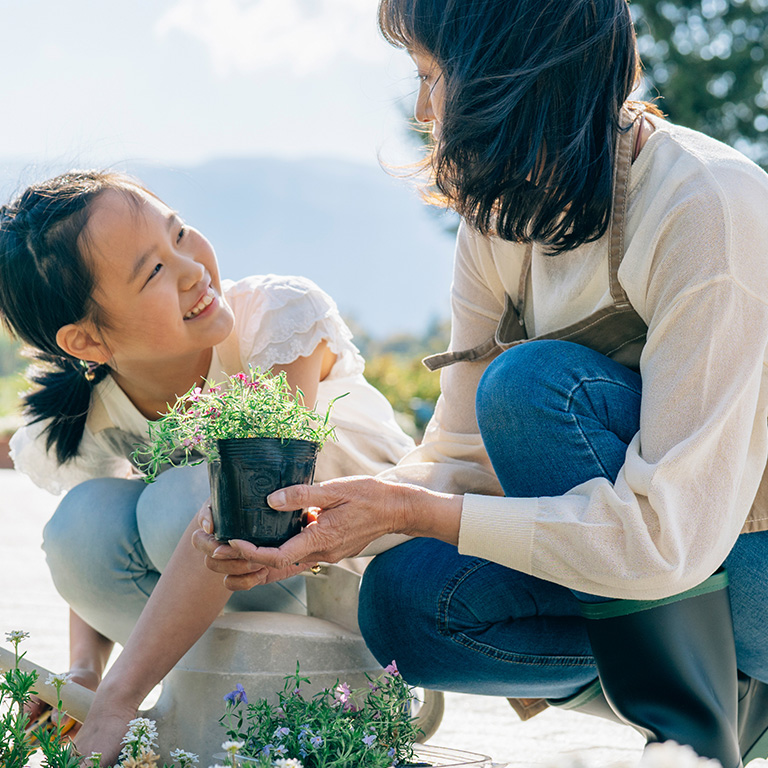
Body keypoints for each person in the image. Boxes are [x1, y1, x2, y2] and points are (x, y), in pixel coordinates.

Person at [191, 1, 768, 766]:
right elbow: (460, 459)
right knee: (402, 605)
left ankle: (694, 735)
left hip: (739, 553)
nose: (424, 108)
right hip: (660, 564)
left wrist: (417, 508)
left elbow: (667, 539)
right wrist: (316, 533)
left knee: (533, 390)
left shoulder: (706, 206)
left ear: (512, 79)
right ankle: (738, 705)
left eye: (434, 76)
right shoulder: (500, 216)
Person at [0, 170, 415, 754]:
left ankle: (323, 698)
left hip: (360, 600)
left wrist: (116, 700)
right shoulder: (89, 415)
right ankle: (208, 715)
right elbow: (90, 557)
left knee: (187, 502)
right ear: (88, 343)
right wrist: (85, 678)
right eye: (154, 271)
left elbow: (250, 521)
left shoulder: (275, 321)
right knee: (80, 523)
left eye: (181, 233)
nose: (192, 268)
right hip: (237, 606)